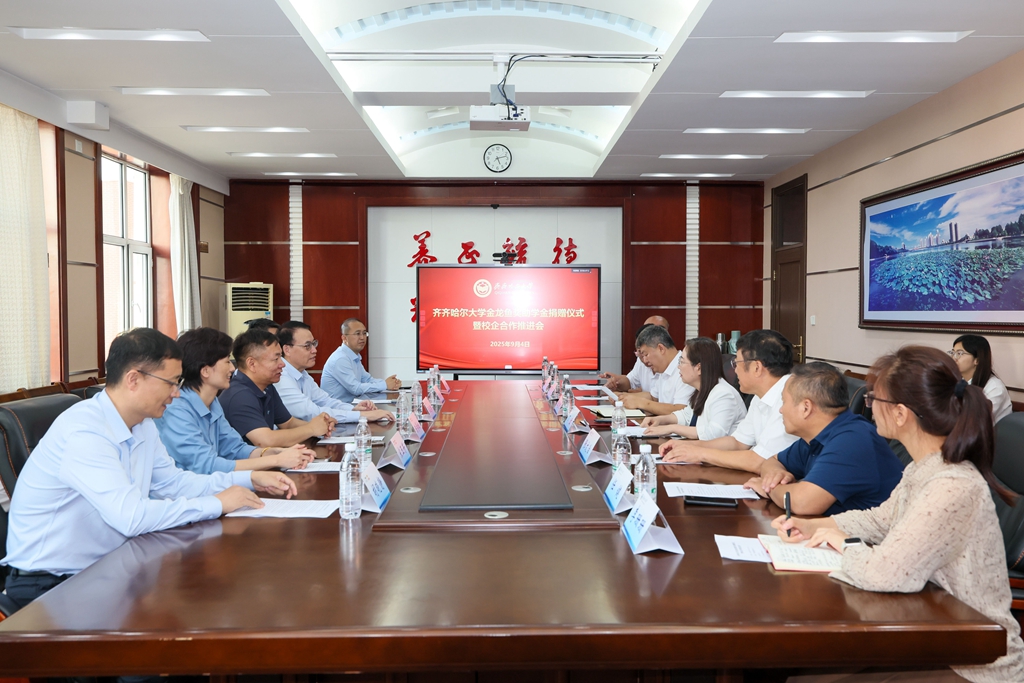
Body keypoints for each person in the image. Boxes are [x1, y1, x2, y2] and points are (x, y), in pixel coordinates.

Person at [774, 346, 1024, 683]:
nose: (868, 407)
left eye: (873, 399)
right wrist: (812, 526)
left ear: (901, 413)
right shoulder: (924, 468)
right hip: (931, 628)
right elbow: (880, 520)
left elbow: (886, 574)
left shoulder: (952, 485)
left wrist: (842, 544)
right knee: (803, 674)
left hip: (972, 659)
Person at [1, 328, 297, 610]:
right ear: (134, 379)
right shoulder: (85, 431)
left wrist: (248, 479)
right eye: (171, 382)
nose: (177, 393)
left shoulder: (142, 423)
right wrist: (218, 503)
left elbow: (173, 483)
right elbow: (130, 517)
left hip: (106, 568)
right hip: (51, 585)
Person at [742, 362, 904, 516]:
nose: (781, 410)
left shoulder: (852, 440)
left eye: (784, 402)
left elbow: (802, 502)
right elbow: (771, 462)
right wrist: (776, 475)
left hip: (874, 535)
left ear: (806, 408)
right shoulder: (818, 435)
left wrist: (770, 488)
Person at [156, 327, 316, 474]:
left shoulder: (212, 402)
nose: (232, 368)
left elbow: (235, 449)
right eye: (227, 362)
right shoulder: (176, 410)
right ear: (205, 371)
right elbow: (206, 465)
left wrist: (277, 452)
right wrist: (275, 460)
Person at [660, 329, 799, 470]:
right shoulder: (759, 397)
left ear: (757, 368)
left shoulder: (791, 398)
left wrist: (701, 454)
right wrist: (686, 446)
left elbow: (759, 461)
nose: (735, 370)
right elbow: (737, 442)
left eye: (736, 363)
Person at [219, 328, 336, 447]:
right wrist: (311, 429)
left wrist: (322, 425)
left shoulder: (267, 387)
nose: (283, 364)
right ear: (252, 364)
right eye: (276, 359)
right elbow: (265, 440)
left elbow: (288, 423)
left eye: (281, 357)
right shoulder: (239, 396)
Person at [276, 321, 393, 423]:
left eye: (314, 344)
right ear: (287, 349)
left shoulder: (303, 374)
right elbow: (312, 413)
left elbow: (325, 401)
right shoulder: (281, 376)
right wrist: (361, 416)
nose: (314, 350)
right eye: (307, 346)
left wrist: (353, 409)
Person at [640, 336, 746, 440]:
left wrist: (671, 428)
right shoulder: (703, 390)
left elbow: (713, 434)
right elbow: (687, 416)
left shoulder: (723, 395)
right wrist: (660, 420)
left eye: (682, 362)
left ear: (699, 368)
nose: (678, 367)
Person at [615, 325, 694, 415]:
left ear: (661, 348)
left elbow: (680, 410)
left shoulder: (686, 368)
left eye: (646, 354)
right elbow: (653, 397)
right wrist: (624, 397)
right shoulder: (663, 368)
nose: (645, 360)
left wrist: (641, 403)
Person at [321, 318, 401, 402]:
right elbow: (356, 389)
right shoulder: (340, 359)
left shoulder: (353, 356)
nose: (362, 337)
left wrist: (391, 383)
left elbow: (367, 380)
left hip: (350, 406)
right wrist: (385, 385)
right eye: (357, 333)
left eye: (364, 333)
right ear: (344, 338)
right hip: (336, 408)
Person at [950, 334, 1012, 424]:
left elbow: (976, 419)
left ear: (977, 360)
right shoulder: (958, 382)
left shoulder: (995, 388)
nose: (954, 358)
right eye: (953, 353)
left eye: (959, 353)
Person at [600, 316, 669, 393]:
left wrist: (632, 396)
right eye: (640, 353)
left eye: (646, 354)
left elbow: (656, 397)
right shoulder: (642, 360)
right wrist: (616, 381)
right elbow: (631, 381)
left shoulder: (672, 365)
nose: (645, 360)